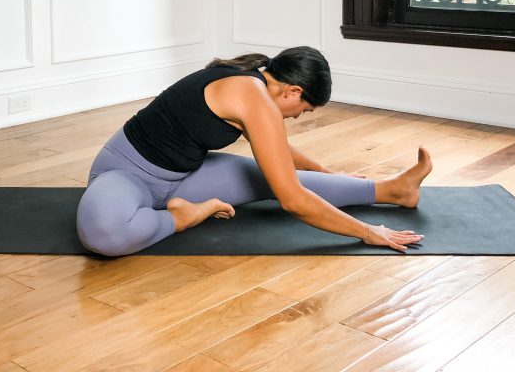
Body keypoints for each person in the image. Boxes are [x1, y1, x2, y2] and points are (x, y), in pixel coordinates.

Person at [75, 46, 432, 257]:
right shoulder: (254, 99)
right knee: (104, 235)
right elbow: (292, 200)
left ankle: (393, 190)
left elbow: (279, 152)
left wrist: (325, 173)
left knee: (277, 180)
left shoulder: (252, 80)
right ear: (292, 91)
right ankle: (185, 216)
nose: (298, 117)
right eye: (304, 110)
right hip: (127, 174)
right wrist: (368, 233)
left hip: (184, 177)